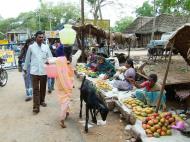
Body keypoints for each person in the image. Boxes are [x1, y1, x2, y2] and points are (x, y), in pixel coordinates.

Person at [23, 31, 53, 114]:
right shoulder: (31, 47)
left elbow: (50, 57)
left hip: (44, 71)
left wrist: (49, 61)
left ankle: (42, 101)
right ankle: (36, 107)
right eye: (39, 37)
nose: (41, 38)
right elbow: (27, 59)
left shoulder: (46, 47)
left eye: (42, 37)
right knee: (35, 90)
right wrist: (25, 69)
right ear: (36, 37)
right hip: (34, 72)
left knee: (43, 88)